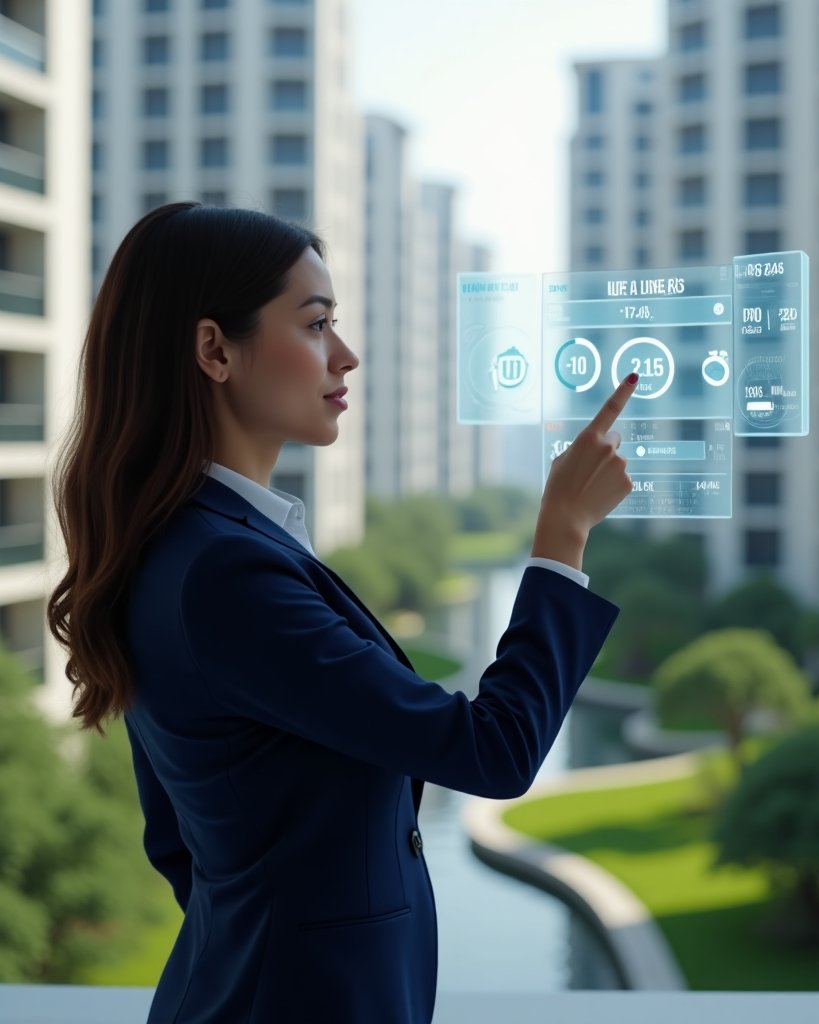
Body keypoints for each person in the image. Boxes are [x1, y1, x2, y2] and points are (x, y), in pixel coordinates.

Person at [46, 201, 639, 1023]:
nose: (347, 356)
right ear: (215, 349)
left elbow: (176, 840)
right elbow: (493, 751)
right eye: (317, 324)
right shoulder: (226, 573)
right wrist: (562, 535)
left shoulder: (186, 547)